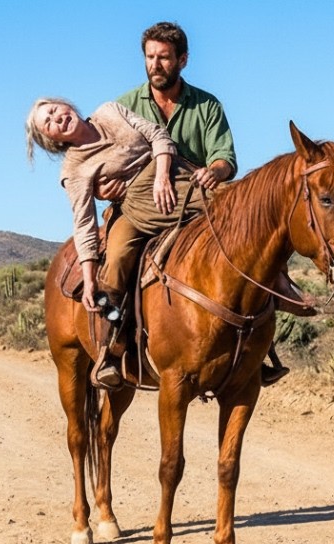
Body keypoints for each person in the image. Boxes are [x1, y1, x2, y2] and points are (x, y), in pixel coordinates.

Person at [112, 21, 294, 386]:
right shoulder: (125, 106)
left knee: (252, 242)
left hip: (197, 195)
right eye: (150, 57)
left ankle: (258, 348)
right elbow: (108, 156)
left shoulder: (207, 105)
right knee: (116, 256)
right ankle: (110, 347)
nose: (155, 65)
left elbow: (225, 157)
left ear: (183, 60)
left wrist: (216, 170)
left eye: (164, 57)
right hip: (141, 200)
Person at [27, 97, 206, 387]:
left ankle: (259, 329)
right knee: (119, 255)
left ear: (66, 105)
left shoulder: (110, 111)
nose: (56, 119)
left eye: (54, 111)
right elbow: (84, 223)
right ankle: (111, 349)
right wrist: (88, 277)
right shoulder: (74, 169)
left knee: (234, 213)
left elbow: (158, 135)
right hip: (132, 206)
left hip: (172, 177)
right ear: (52, 140)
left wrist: (161, 175)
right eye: (48, 123)